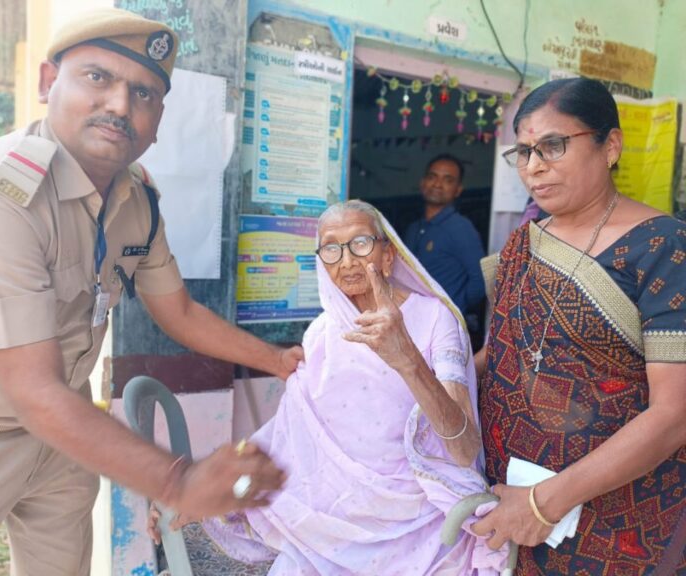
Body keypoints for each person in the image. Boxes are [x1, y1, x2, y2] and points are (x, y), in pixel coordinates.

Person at [0, 8, 302, 576]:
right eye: (98, 78)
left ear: (159, 118)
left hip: (59, 436)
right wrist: (182, 481)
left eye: (143, 94)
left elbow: (180, 311)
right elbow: (32, 388)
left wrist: (281, 361)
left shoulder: (137, 201)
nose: (121, 106)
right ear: (50, 83)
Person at [152, 200, 509, 575]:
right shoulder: (322, 333)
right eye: (331, 248)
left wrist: (407, 359)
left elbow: (465, 448)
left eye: (360, 243)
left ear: (389, 256)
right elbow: (287, 436)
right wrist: (205, 483)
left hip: (420, 526)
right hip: (329, 523)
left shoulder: (435, 318)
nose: (347, 260)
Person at [472, 78, 686, 574]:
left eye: (553, 145)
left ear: (609, 146)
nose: (534, 167)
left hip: (618, 519)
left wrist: (544, 504)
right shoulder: (523, 244)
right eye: (523, 151)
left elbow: (674, 414)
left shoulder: (663, 248)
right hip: (509, 500)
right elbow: (503, 355)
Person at [403, 154, 486, 316]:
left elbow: (480, 280)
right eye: (432, 177)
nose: (438, 184)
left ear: (458, 190)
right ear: (422, 183)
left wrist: (456, 308)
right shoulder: (413, 228)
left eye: (448, 180)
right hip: (412, 320)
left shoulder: (461, 228)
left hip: (444, 324)